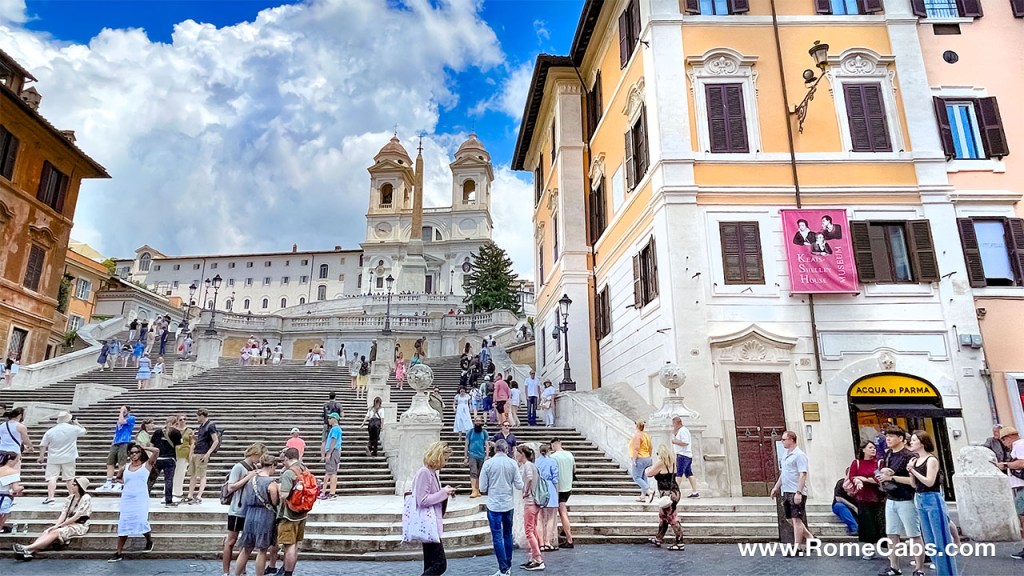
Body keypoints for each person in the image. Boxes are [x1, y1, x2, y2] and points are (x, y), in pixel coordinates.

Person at [907, 430, 958, 576]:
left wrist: (913, 471)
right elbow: (914, 485)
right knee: (929, 540)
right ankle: (940, 569)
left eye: (915, 440)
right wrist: (911, 471)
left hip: (933, 498)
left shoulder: (931, 460)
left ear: (923, 442)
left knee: (940, 538)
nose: (911, 442)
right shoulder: (915, 461)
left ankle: (947, 573)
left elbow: (929, 482)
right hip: (920, 498)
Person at [877, 427, 925, 576]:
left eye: (891, 436)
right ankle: (894, 567)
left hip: (906, 498)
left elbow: (913, 482)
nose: (888, 439)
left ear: (900, 438)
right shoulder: (889, 454)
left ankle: (919, 569)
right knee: (891, 534)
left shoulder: (909, 456)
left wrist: (892, 477)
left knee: (914, 535)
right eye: (887, 437)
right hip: (891, 498)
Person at [13, 476, 92, 560]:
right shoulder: (70, 498)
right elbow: (63, 513)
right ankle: (29, 552)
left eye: (74, 485)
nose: (72, 486)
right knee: (47, 531)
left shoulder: (86, 498)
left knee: (56, 532)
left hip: (79, 525)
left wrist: (61, 525)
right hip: (67, 523)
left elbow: (77, 516)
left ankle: (27, 548)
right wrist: (56, 525)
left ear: (80, 486)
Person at [479, 438, 524, 576]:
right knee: (507, 535)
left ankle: (503, 568)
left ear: (494, 449)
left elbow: (482, 487)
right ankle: (507, 566)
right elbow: (519, 485)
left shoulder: (488, 464)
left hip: (494, 505)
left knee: (497, 536)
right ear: (506, 449)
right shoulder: (512, 463)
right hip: (508, 504)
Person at [411, 441, 455, 575]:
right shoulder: (425, 472)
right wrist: (443, 493)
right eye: (445, 459)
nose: (446, 463)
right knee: (440, 564)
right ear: (438, 456)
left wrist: (444, 492)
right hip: (428, 524)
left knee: (430, 563)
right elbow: (422, 500)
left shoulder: (432, 473)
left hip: (431, 524)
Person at [109, 442, 158, 562]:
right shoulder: (125, 467)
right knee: (124, 523)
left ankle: (149, 540)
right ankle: (119, 552)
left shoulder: (147, 465)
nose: (134, 454)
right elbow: (118, 478)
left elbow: (156, 451)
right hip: (127, 498)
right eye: (132, 453)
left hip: (141, 498)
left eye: (137, 452)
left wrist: (144, 447)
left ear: (141, 453)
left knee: (141, 521)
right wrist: (124, 483)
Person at [221, 443, 265, 576]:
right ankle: (226, 571)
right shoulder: (239, 467)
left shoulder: (254, 467)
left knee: (245, 541)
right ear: (254, 454)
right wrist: (248, 477)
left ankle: (241, 569)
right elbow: (231, 487)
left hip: (248, 510)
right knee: (231, 540)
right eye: (260, 456)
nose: (260, 460)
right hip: (237, 509)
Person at [233, 454, 280, 576]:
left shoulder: (251, 479)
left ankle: (236, 574)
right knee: (262, 550)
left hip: (250, 515)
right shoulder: (271, 483)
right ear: (272, 466)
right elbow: (274, 502)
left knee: (246, 549)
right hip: (265, 516)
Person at [769, 430, 813, 554]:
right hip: (786, 491)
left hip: (796, 491)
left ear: (791, 440)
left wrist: (799, 492)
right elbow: (784, 473)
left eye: (784, 439)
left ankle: (797, 547)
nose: (782, 441)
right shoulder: (786, 454)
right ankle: (810, 538)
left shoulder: (799, 455)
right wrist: (776, 487)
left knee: (796, 519)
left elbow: (803, 474)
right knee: (790, 518)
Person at [38, 411, 87, 505]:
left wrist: (41, 457)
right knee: (70, 478)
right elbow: (84, 431)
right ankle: (72, 496)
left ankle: (51, 497)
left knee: (52, 477)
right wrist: (77, 423)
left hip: (53, 457)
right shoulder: (74, 429)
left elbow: (43, 445)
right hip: (69, 456)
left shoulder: (51, 431)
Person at [847, 440, 885, 558]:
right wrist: (857, 480)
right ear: (863, 450)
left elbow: (879, 479)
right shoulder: (857, 463)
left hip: (878, 497)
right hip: (863, 497)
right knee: (867, 524)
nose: (873, 450)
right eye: (870, 448)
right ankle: (870, 549)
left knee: (881, 524)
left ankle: (886, 548)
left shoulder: (878, 463)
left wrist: (864, 479)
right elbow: (852, 476)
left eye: (874, 448)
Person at [644, 445, 685, 550]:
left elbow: (649, 473)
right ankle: (659, 538)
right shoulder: (673, 463)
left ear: (661, 454)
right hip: (675, 492)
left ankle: (680, 542)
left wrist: (647, 468)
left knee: (672, 518)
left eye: (658, 454)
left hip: (667, 494)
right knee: (663, 517)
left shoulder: (661, 463)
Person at [276, 447, 309, 576]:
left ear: (286, 458)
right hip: (302, 512)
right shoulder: (304, 468)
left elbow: (284, 494)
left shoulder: (289, 473)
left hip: (289, 514)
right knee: (295, 546)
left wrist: (276, 488)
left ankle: (287, 573)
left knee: (289, 545)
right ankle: (290, 571)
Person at [994, 426, 1024, 560]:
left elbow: (1021, 463)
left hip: (1022, 486)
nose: (1004, 443)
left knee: (1023, 518)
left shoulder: (1019, 445)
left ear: (1009, 437)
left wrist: (1005, 465)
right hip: (1019, 486)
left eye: (1003, 440)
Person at [515, 445, 545, 571]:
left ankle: (538, 559)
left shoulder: (527, 465)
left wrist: (526, 491)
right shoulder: (532, 465)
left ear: (522, 454)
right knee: (532, 529)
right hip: (535, 502)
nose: (516, 455)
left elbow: (530, 478)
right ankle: (533, 557)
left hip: (530, 502)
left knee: (529, 531)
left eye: (517, 453)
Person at [184, 409, 220, 505]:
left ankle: (199, 495)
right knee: (193, 474)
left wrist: (208, 453)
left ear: (202, 416)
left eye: (198, 416)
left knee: (202, 474)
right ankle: (190, 495)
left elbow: (215, 440)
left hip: (203, 452)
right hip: (197, 451)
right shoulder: (201, 426)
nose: (197, 418)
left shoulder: (210, 425)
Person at [148, 416, 182, 508]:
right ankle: (168, 501)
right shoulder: (176, 432)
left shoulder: (157, 432)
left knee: (151, 479)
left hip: (158, 459)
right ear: (175, 423)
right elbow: (178, 446)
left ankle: (145, 497)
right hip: (170, 459)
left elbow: (152, 445)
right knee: (168, 480)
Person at [99, 405, 135, 493]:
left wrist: (122, 411)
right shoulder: (119, 419)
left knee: (121, 462)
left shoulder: (131, 418)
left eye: (124, 410)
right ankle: (108, 482)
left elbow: (122, 421)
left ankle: (120, 482)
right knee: (110, 462)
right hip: (116, 442)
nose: (122, 412)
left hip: (124, 442)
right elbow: (117, 431)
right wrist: (113, 441)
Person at [550, 437, 576, 549]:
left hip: (559, 488)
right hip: (568, 487)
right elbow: (575, 470)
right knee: (563, 509)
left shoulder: (553, 457)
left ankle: (569, 540)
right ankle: (566, 530)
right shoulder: (570, 454)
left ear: (553, 445)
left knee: (562, 512)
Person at [535, 444, 560, 552]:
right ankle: (547, 542)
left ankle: (540, 543)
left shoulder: (536, 462)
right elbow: (555, 478)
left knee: (539, 517)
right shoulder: (552, 461)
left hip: (539, 487)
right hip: (549, 487)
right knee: (550, 517)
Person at [671, 416, 699, 498]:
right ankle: (695, 492)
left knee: (679, 474)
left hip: (683, 455)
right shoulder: (682, 430)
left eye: (673, 424)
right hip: (686, 455)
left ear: (677, 423)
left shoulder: (683, 430)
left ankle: (674, 492)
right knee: (689, 473)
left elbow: (685, 442)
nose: (673, 426)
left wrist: (674, 441)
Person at [0, 452, 23, 533]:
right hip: (3, 496)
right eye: (16, 461)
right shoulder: (13, 472)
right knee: (5, 513)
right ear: (10, 461)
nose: (16, 463)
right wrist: (22, 488)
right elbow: (16, 488)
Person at [629, 421, 653, 501]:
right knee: (643, 477)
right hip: (647, 457)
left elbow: (636, 448)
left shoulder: (637, 435)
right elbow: (651, 447)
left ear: (636, 426)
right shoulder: (646, 435)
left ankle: (649, 491)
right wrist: (649, 455)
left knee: (637, 477)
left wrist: (634, 459)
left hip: (640, 458)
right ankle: (642, 496)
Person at [466, 415, 488, 498]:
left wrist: (487, 455)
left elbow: (486, 444)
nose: (478, 422)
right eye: (477, 421)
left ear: (481, 422)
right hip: (472, 454)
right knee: (473, 472)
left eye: (479, 421)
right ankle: (473, 490)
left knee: (480, 473)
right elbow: (466, 443)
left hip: (481, 455)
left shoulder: (484, 432)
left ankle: (477, 490)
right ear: (474, 422)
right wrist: (465, 456)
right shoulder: (470, 432)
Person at [321, 413, 342, 499]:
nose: (328, 420)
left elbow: (333, 441)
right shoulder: (336, 429)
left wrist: (329, 453)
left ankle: (331, 492)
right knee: (332, 471)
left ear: (334, 419)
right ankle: (327, 491)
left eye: (330, 418)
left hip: (332, 452)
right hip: (335, 452)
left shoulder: (335, 429)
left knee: (331, 472)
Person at [172, 414, 193, 501]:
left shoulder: (189, 431)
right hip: (175, 453)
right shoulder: (174, 430)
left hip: (184, 453)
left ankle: (178, 492)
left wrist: (190, 455)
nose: (183, 421)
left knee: (181, 474)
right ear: (177, 421)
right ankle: (172, 491)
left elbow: (192, 443)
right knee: (173, 473)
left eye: (184, 419)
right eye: (180, 419)